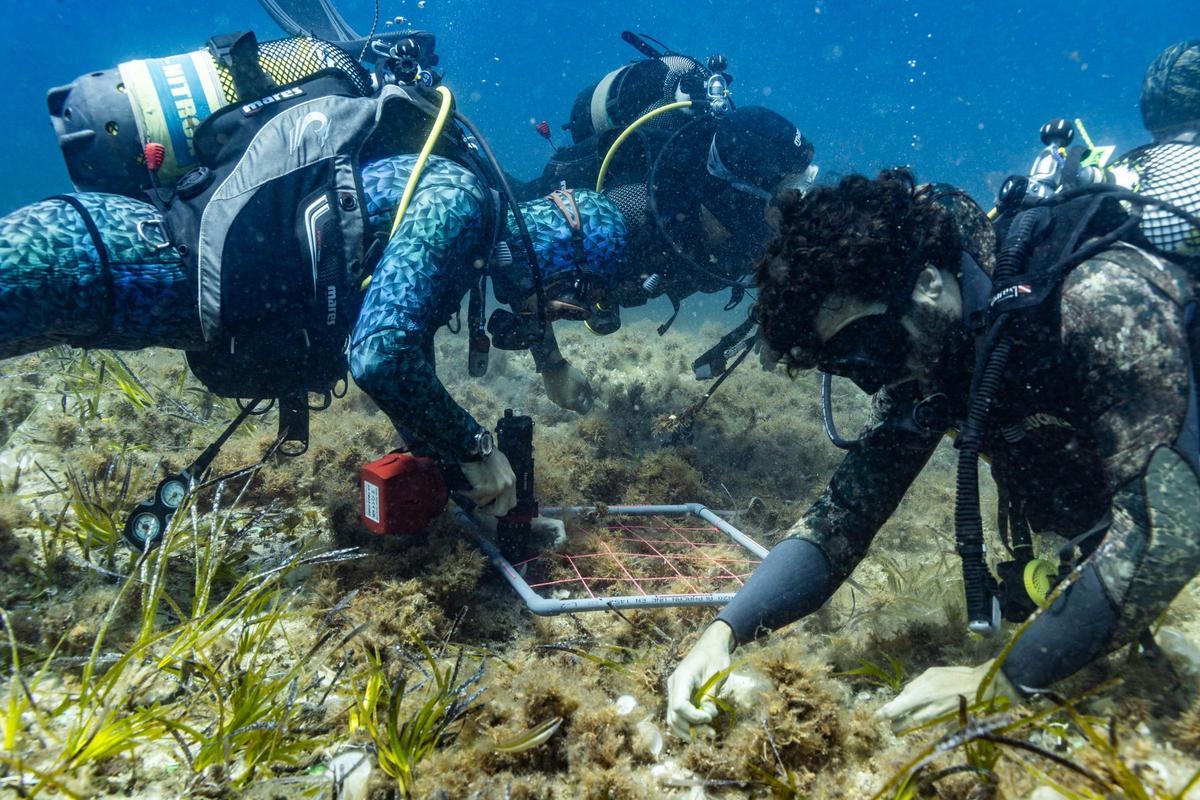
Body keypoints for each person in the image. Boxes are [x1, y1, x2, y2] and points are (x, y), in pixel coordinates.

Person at [665, 39, 1200, 738]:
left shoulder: (1096, 299)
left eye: (868, 347)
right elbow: (841, 521)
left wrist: (1004, 678)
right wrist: (723, 633)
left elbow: (1171, 532)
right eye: (847, 366)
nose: (876, 379)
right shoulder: (935, 351)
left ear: (926, 284)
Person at [2, 29, 628, 528]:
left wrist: (469, 486)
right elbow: (381, 356)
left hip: (141, 269)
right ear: (560, 254)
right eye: (573, 295)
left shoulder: (465, 222)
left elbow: (396, 350)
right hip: (116, 255)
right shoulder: (459, 199)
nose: (561, 309)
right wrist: (475, 446)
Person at [519, 34, 817, 333]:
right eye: (789, 189)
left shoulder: (744, 220)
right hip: (570, 200)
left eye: (804, 181)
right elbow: (524, 264)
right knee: (507, 207)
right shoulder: (636, 207)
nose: (800, 199)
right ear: (745, 192)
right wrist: (552, 364)